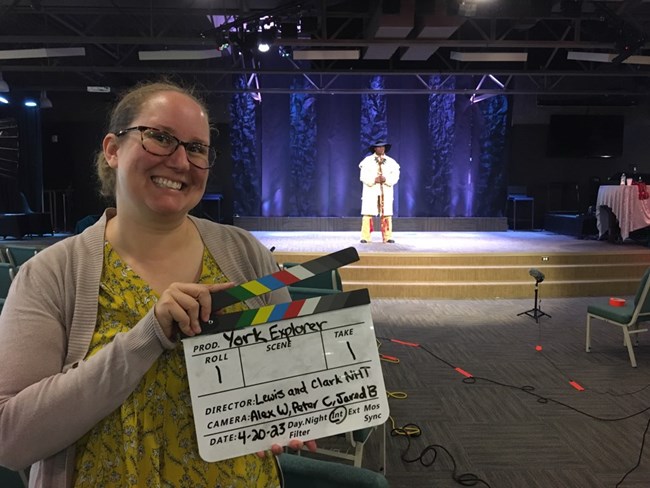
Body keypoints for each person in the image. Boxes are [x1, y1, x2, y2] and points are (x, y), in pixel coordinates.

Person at [0, 80, 314, 487]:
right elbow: (10, 439)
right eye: (160, 138)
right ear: (112, 149)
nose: (181, 161)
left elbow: (293, 376)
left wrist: (295, 409)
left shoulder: (245, 254)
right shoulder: (52, 273)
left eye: (196, 148)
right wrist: (145, 338)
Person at [359, 141, 400, 243]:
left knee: (386, 213)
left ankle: (387, 236)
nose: (381, 149)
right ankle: (365, 237)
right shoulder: (367, 161)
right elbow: (363, 176)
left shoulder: (391, 162)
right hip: (371, 190)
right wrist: (374, 179)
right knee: (368, 213)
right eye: (379, 147)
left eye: (383, 147)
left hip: (385, 190)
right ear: (374, 149)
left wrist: (386, 179)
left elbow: (396, 176)